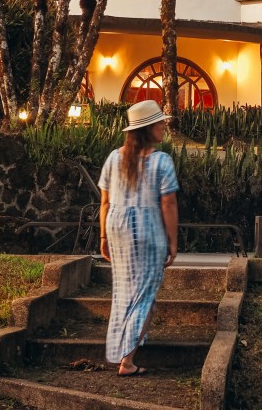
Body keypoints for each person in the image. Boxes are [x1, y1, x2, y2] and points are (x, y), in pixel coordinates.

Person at [98, 99, 179, 377]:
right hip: (148, 229)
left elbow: (105, 203)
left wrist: (103, 237)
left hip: (117, 227)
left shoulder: (113, 158)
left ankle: (126, 347)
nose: (164, 127)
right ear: (148, 129)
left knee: (125, 293)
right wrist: (173, 241)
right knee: (145, 296)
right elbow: (168, 204)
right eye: (160, 123)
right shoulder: (161, 161)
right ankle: (127, 360)